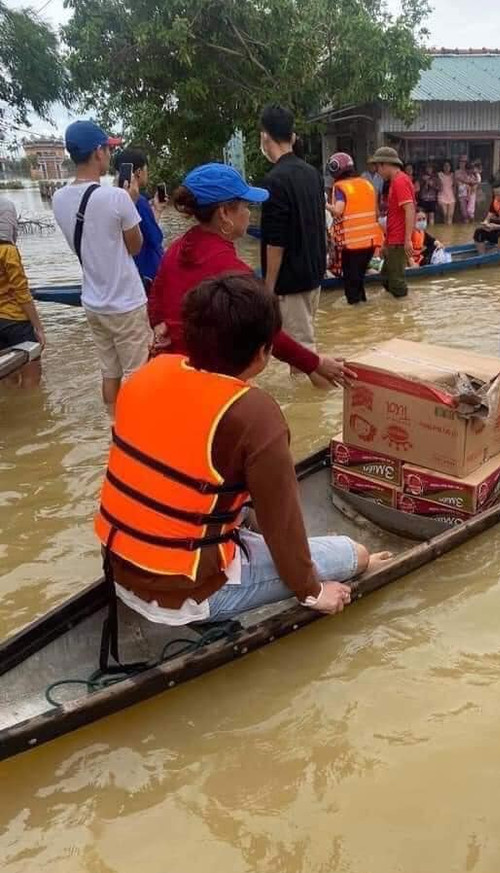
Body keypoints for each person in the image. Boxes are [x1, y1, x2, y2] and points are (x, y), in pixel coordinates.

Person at [96, 274, 392, 627]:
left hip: (117, 566)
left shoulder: (148, 373)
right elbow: (281, 523)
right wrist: (311, 591)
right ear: (263, 352)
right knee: (353, 554)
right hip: (187, 592)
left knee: (240, 504)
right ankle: (361, 566)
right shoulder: (254, 413)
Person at [148, 163, 350, 387]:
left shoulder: (177, 247)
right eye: (245, 205)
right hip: (208, 378)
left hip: (167, 370)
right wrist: (315, 363)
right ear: (224, 213)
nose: (249, 213)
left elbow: (156, 295)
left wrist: (158, 324)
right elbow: (267, 332)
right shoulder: (233, 272)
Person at [53, 121, 150, 408]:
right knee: (138, 374)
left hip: (92, 301)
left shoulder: (58, 198)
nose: (110, 155)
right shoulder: (117, 197)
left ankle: (112, 426)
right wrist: (129, 203)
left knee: (110, 373)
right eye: (108, 149)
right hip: (126, 302)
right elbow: (135, 246)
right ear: (98, 152)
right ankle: (136, 434)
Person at [259, 105, 326, 378]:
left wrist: (268, 287)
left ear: (265, 137)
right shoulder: (312, 174)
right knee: (306, 342)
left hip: (290, 282)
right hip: (313, 274)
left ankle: (309, 413)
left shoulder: (274, 181)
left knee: (302, 356)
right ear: (293, 136)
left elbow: (276, 241)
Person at [326, 152, 383, 305]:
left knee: (351, 288)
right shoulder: (366, 184)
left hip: (352, 245)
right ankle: (364, 314)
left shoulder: (340, 188)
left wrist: (322, 203)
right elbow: (376, 212)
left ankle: (357, 318)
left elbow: (338, 210)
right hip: (370, 243)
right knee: (359, 282)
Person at [0, 196, 45, 386]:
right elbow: (22, 292)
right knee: (32, 376)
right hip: (16, 321)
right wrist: (38, 326)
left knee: (7, 372)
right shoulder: (7, 250)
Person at [113, 148, 165, 290]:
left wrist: (157, 210)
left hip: (129, 271)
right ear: (138, 172)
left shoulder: (113, 198)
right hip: (147, 274)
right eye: (146, 169)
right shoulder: (140, 201)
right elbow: (155, 238)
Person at [371, 146, 415, 299]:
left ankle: (405, 313)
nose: (377, 171)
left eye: (378, 167)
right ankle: (393, 313)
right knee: (386, 278)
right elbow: (394, 215)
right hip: (393, 240)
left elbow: (409, 209)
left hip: (399, 240)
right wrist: (385, 243)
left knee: (396, 282)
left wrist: (407, 239)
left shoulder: (400, 182)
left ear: (385, 164)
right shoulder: (395, 181)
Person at [455, 157, 481, 223]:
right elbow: (458, 180)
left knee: (470, 212)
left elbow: (478, 181)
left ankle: (472, 224)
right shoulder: (458, 173)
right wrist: (468, 183)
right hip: (462, 194)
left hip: (471, 194)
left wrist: (472, 183)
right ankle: (466, 228)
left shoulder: (476, 175)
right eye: (461, 162)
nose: (469, 171)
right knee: (464, 214)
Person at [437, 160, 456, 224]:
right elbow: (438, 186)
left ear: (451, 167)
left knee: (450, 216)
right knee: (445, 214)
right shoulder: (439, 174)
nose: (447, 167)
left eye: (448, 166)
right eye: (445, 166)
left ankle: (449, 231)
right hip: (442, 196)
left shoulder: (453, 175)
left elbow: (455, 185)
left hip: (451, 196)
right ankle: (445, 229)